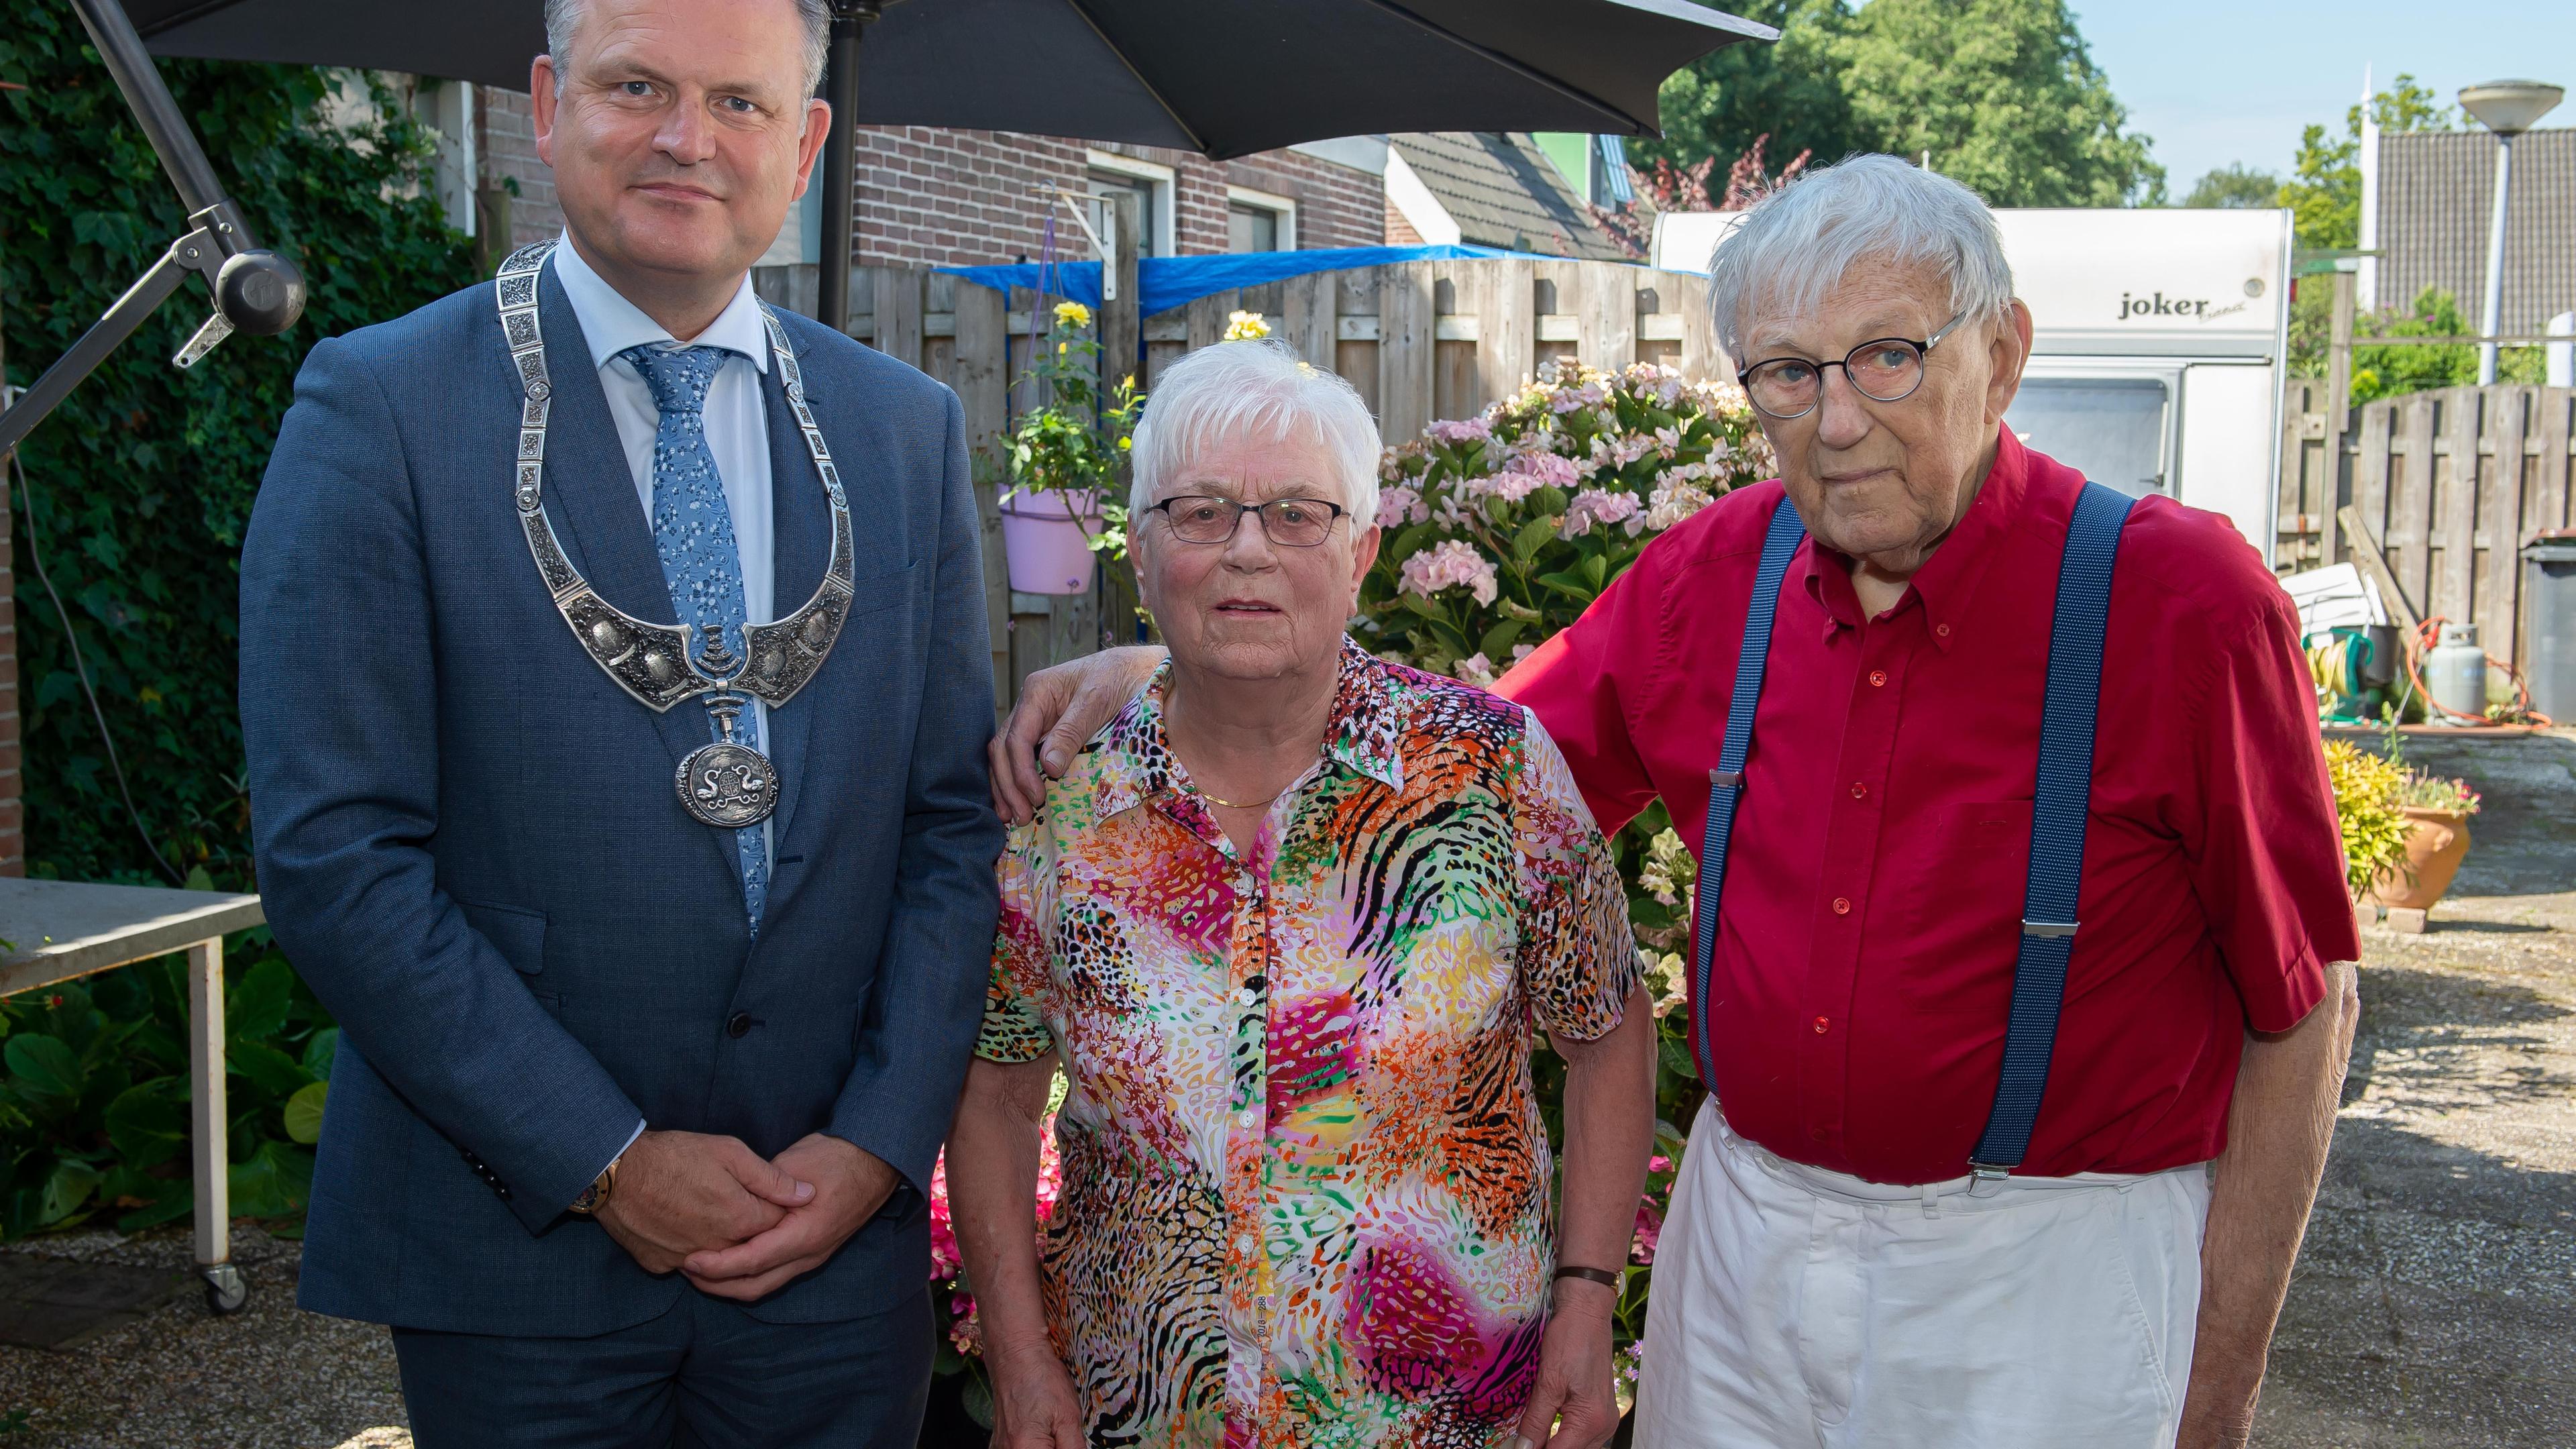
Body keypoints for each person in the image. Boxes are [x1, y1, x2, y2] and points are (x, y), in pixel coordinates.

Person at [989, 156, 2362, 1449]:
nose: (1834, 419)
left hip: (2049, 1277)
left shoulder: (2180, 606)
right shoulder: (1710, 580)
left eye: (1889, 355)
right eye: (1783, 372)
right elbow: (1449, 775)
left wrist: (2217, 1392)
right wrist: (1188, 665)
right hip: (1747, 1245)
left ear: (2001, 351)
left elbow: (2302, 1016)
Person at [239, 0, 1001, 1441]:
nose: (684, 139)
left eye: (740, 103)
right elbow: (339, 855)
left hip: (829, 1258)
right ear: (546, 102)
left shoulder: (903, 430)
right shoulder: (380, 407)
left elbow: (949, 827)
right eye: (636, 85)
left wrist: (876, 1147)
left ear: (807, 142)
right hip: (517, 1255)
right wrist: (605, 1157)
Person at [946, 339, 1656, 1449]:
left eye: (1296, 515)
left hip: (1445, 1416)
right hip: (1141, 1412)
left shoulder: (1492, 773)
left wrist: (1586, 1297)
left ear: (1365, 549)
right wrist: (1023, 1357)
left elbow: (1608, 1036)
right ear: (1141, 553)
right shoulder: (1059, 811)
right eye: (1200, 512)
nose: (1246, 553)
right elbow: (993, 1096)